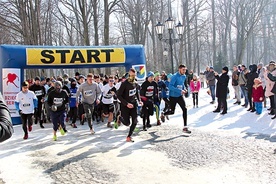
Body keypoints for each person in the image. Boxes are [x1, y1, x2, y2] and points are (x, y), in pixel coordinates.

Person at [117, 68, 142, 142]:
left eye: (134, 75)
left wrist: (139, 100)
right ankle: (120, 118)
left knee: (135, 121)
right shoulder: (124, 84)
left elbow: (136, 92)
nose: (133, 77)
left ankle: (129, 136)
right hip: (125, 105)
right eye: (131, 76)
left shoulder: (135, 82)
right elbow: (119, 95)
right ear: (128, 76)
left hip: (133, 104)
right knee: (127, 123)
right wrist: (126, 104)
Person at [164, 64, 191, 133]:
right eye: (183, 70)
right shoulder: (174, 76)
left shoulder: (184, 76)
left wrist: (184, 89)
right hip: (173, 96)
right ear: (179, 69)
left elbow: (182, 84)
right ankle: (163, 114)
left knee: (184, 109)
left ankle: (185, 127)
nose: (184, 71)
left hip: (179, 96)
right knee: (172, 112)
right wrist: (179, 90)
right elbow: (170, 86)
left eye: (185, 70)